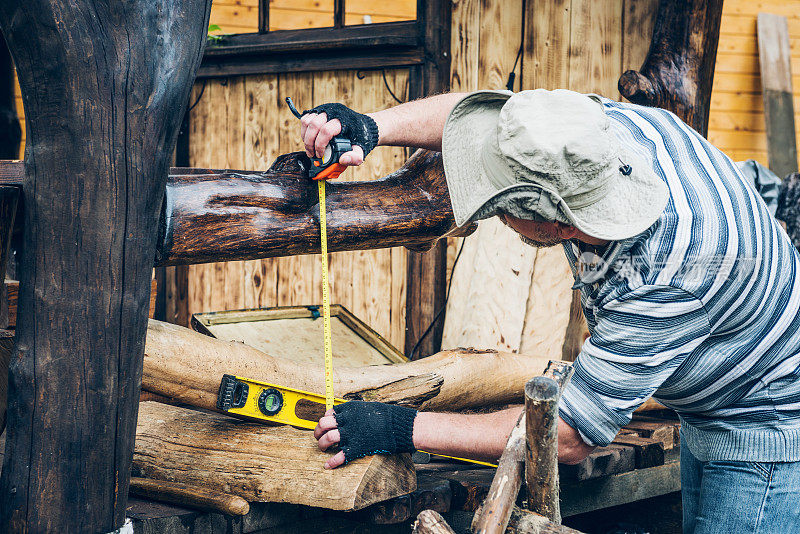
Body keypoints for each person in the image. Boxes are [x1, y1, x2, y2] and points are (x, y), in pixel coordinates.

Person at [299, 89, 800, 533]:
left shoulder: (663, 278)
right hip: (715, 388)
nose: (497, 214)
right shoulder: (594, 138)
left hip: (763, 421)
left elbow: (567, 434)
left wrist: (399, 428)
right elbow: (489, 118)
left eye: (502, 207)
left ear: (559, 225)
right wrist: (371, 127)